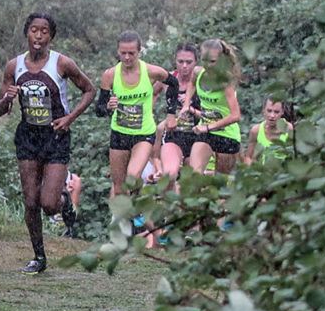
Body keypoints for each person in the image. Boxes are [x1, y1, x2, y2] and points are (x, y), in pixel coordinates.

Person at [0, 12, 94, 274]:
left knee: (48, 204)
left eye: (44, 31)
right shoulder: (13, 66)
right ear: (27, 33)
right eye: (34, 30)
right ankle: (39, 256)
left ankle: (65, 202)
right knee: (31, 202)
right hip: (28, 136)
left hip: (55, 136)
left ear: (51, 36)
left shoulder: (62, 63)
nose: (38, 36)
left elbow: (89, 90)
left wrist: (70, 118)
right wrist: (7, 98)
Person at [95, 31, 179, 201]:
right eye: (123, 53)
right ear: (118, 51)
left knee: (132, 179)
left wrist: (171, 114)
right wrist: (108, 107)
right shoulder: (110, 75)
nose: (127, 57)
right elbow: (99, 109)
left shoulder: (151, 72)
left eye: (131, 53)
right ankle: (129, 222)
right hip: (119, 134)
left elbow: (174, 83)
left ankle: (139, 194)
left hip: (143, 133)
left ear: (139, 52)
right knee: (119, 190)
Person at [184, 38, 242, 175]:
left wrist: (208, 127)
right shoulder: (198, 72)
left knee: (220, 186)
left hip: (226, 134)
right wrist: (186, 104)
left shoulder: (226, 81)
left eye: (212, 61)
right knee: (193, 176)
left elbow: (236, 115)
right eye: (204, 60)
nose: (208, 65)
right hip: (205, 133)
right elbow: (191, 84)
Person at [155, 43, 200, 185]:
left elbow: (214, 112)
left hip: (199, 135)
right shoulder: (168, 79)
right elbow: (151, 94)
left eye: (189, 62)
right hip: (175, 134)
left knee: (193, 182)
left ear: (196, 62)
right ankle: (169, 206)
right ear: (175, 61)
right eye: (181, 62)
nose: (184, 66)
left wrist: (191, 108)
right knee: (169, 176)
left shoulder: (203, 81)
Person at [243, 97, 294, 165]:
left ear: (282, 112)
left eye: (276, 112)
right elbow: (248, 157)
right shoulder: (256, 131)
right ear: (263, 110)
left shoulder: (288, 129)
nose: (272, 115)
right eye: (269, 111)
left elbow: (294, 155)